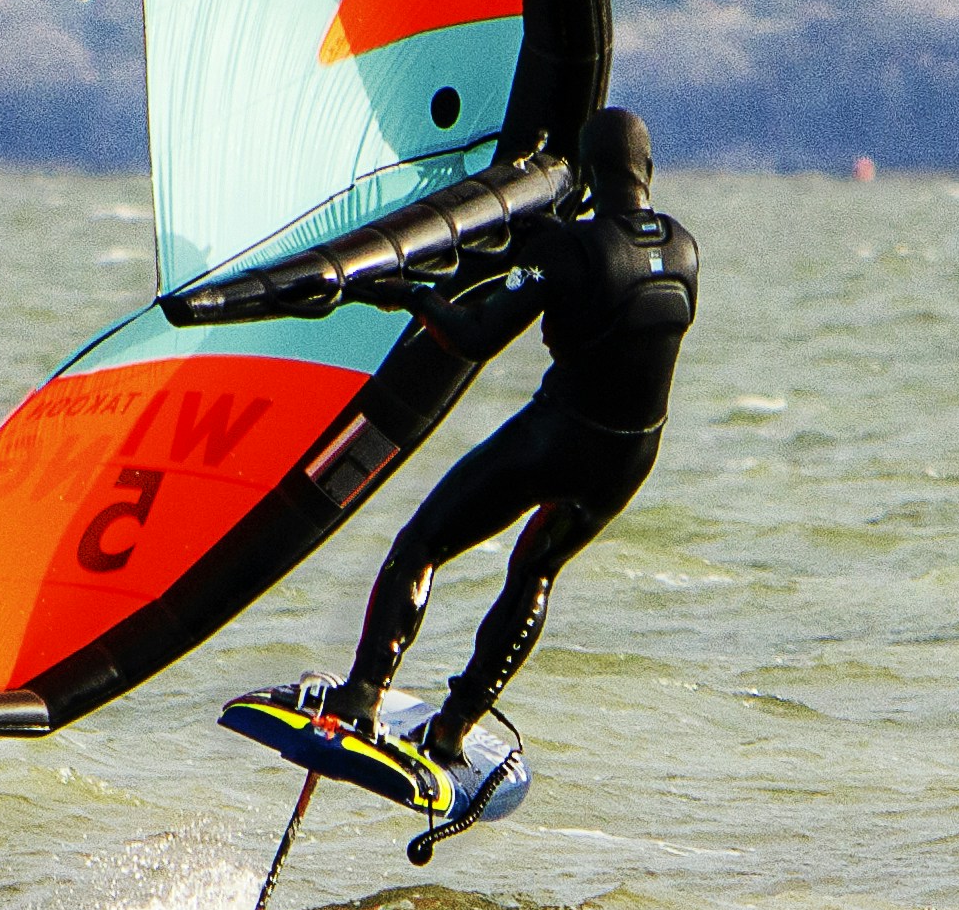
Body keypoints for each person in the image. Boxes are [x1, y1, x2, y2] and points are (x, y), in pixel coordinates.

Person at [293, 105, 696, 810]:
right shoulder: (686, 247)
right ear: (649, 173)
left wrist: (412, 295)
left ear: (589, 176)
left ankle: (361, 698)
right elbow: (608, 272)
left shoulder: (573, 251)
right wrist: (542, 249)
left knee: (422, 543)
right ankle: (451, 730)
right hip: (631, 459)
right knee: (536, 569)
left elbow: (476, 334)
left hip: (559, 439)